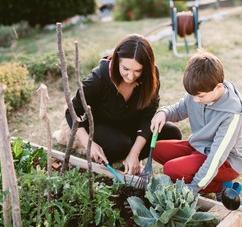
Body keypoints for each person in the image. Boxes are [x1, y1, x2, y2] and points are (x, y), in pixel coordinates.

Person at [65, 34, 182, 175]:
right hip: (103, 127)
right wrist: (88, 143)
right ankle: (118, 156)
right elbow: (72, 111)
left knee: (172, 134)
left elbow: (148, 116)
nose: (131, 76)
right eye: (125, 69)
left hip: (131, 125)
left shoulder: (151, 76)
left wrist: (135, 153)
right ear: (116, 61)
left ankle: (130, 159)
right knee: (120, 144)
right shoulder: (98, 79)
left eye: (138, 71)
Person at [150, 49, 242, 194]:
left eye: (200, 96)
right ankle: (195, 171)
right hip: (199, 148)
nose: (195, 100)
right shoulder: (199, 90)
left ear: (218, 88)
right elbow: (179, 110)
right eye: (193, 95)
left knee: (171, 169)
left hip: (226, 162)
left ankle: (222, 186)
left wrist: (193, 188)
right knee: (156, 149)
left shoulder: (232, 114)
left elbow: (216, 157)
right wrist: (163, 113)